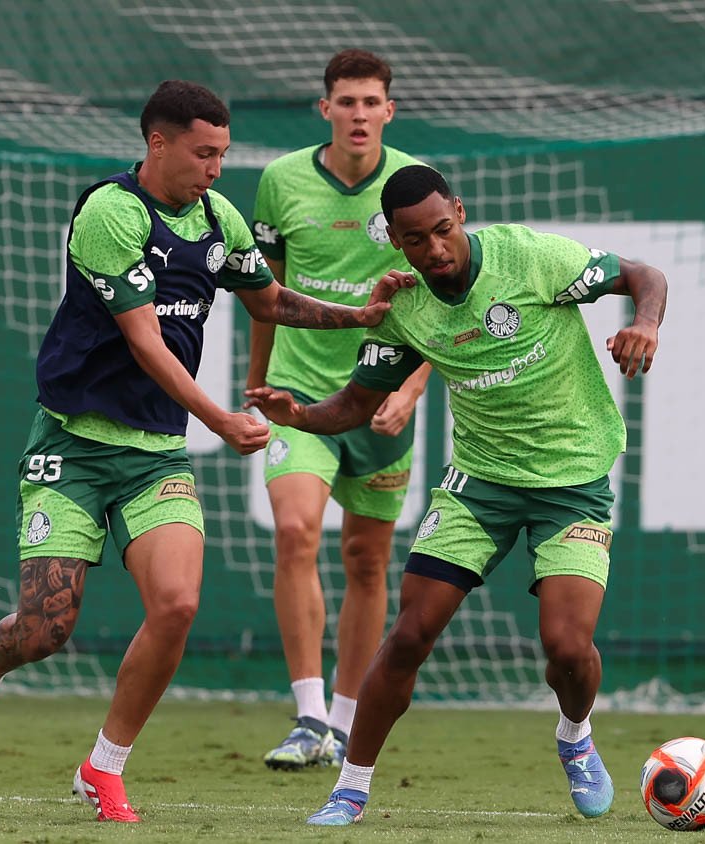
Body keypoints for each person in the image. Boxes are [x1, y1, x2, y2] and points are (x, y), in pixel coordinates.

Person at [0, 80, 408, 823]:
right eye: (203, 153)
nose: (216, 169)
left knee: (179, 603)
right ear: (158, 144)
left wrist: (360, 313)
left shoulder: (220, 219)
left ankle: (103, 767)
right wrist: (220, 418)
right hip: (74, 445)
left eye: (223, 154)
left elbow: (270, 300)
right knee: (45, 629)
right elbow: (145, 340)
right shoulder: (110, 213)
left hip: (156, 453)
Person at [245, 164, 669, 825]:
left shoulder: (530, 257)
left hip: (573, 480)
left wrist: (645, 322)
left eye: (443, 230)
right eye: (416, 239)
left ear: (460, 214)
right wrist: (298, 415)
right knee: (411, 633)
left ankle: (575, 736)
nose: (434, 249)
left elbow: (645, 275)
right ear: (395, 240)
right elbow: (357, 403)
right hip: (479, 486)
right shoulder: (403, 308)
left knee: (566, 648)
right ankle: (350, 787)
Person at [246, 49, 431, 771]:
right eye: (345, 102)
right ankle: (309, 715)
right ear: (324, 109)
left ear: (391, 110)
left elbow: (445, 301)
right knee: (295, 532)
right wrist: (258, 385)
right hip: (299, 396)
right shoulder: (280, 182)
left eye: (370, 102)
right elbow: (267, 294)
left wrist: (411, 392)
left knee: (366, 558)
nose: (358, 114)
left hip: (381, 398)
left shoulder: (415, 187)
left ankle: (348, 722)